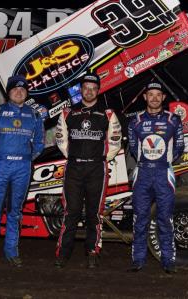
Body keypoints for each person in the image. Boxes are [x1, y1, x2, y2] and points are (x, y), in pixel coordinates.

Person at [54, 72, 122, 268]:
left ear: (98, 91)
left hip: (96, 168)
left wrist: (102, 158)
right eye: (86, 88)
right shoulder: (68, 113)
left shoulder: (107, 114)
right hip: (74, 168)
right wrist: (71, 155)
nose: (90, 91)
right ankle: (63, 253)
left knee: (95, 213)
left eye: (93, 89)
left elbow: (115, 141)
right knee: (71, 212)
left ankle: (93, 251)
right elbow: (60, 138)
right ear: (81, 91)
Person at [0, 74, 45, 266]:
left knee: (15, 211)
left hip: (22, 167)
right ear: (8, 92)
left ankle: (11, 251)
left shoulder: (34, 115)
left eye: (23, 89)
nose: (19, 92)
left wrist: (27, 159)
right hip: (0, 166)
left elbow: (40, 143)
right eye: (15, 89)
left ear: (27, 93)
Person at [127, 82, 184, 274]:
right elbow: (134, 148)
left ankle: (168, 259)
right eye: (150, 94)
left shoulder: (173, 120)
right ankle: (138, 259)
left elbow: (179, 147)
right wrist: (146, 161)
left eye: (157, 95)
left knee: (165, 218)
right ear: (145, 97)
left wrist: (165, 161)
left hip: (163, 173)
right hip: (142, 173)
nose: (154, 98)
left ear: (163, 97)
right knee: (140, 217)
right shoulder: (135, 121)